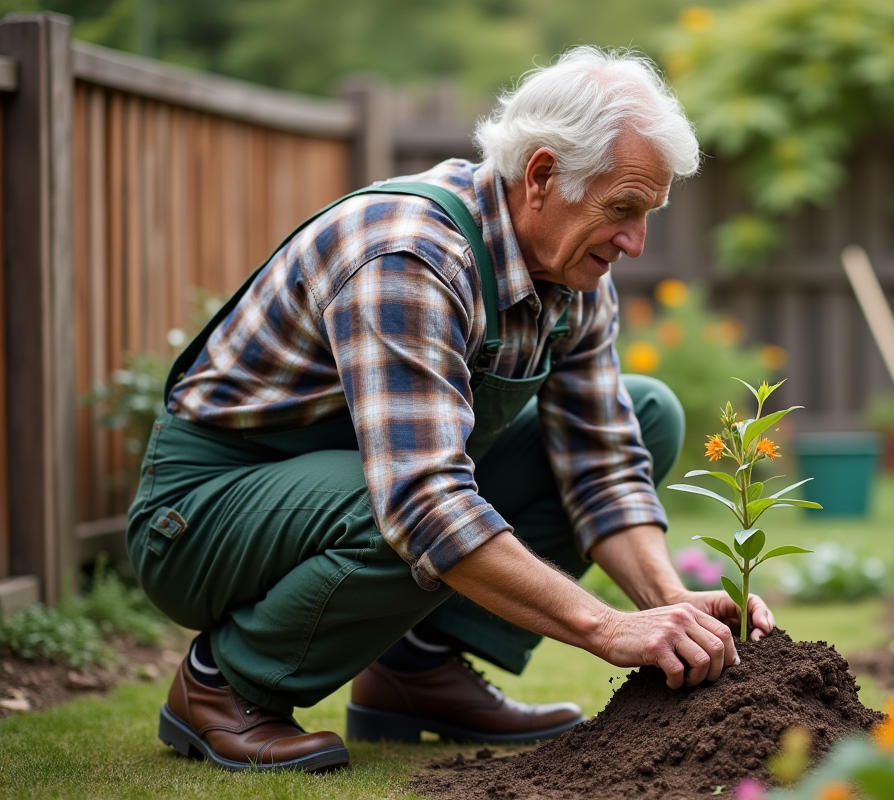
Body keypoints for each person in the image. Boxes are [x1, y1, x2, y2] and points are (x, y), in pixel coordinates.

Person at [127, 46, 776, 773]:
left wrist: (669, 601)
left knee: (646, 413)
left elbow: (603, 464)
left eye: (647, 213)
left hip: (349, 487)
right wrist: (608, 628)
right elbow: (420, 499)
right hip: (202, 516)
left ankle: (418, 669)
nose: (636, 241)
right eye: (622, 209)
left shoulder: (574, 281)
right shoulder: (410, 258)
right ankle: (224, 687)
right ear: (541, 176)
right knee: (403, 507)